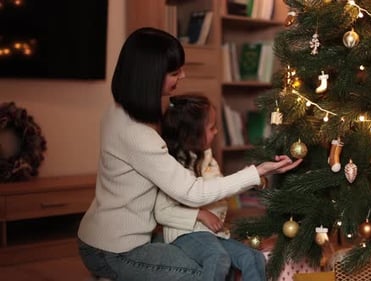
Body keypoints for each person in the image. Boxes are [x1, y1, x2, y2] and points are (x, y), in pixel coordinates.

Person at [77, 27, 302, 281]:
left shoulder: (116, 112)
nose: (183, 75)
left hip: (103, 237)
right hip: (114, 249)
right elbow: (193, 192)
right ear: (149, 77)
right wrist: (258, 171)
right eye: (174, 72)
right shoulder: (139, 135)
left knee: (217, 257)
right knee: (205, 271)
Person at [155, 94, 266, 281]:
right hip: (187, 234)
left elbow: (220, 188)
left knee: (253, 257)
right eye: (211, 127)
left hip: (215, 234)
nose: (216, 132)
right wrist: (200, 214)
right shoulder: (175, 166)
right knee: (218, 257)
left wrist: (250, 178)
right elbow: (162, 211)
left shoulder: (209, 158)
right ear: (192, 134)